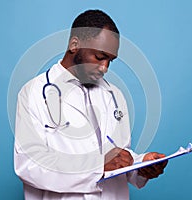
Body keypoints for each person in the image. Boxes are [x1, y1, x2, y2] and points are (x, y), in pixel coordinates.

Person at [14, 9, 168, 200]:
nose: (104, 68)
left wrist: (140, 166)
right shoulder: (34, 93)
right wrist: (96, 166)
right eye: (99, 56)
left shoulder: (115, 95)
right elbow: (30, 165)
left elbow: (118, 154)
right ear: (74, 44)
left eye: (110, 61)